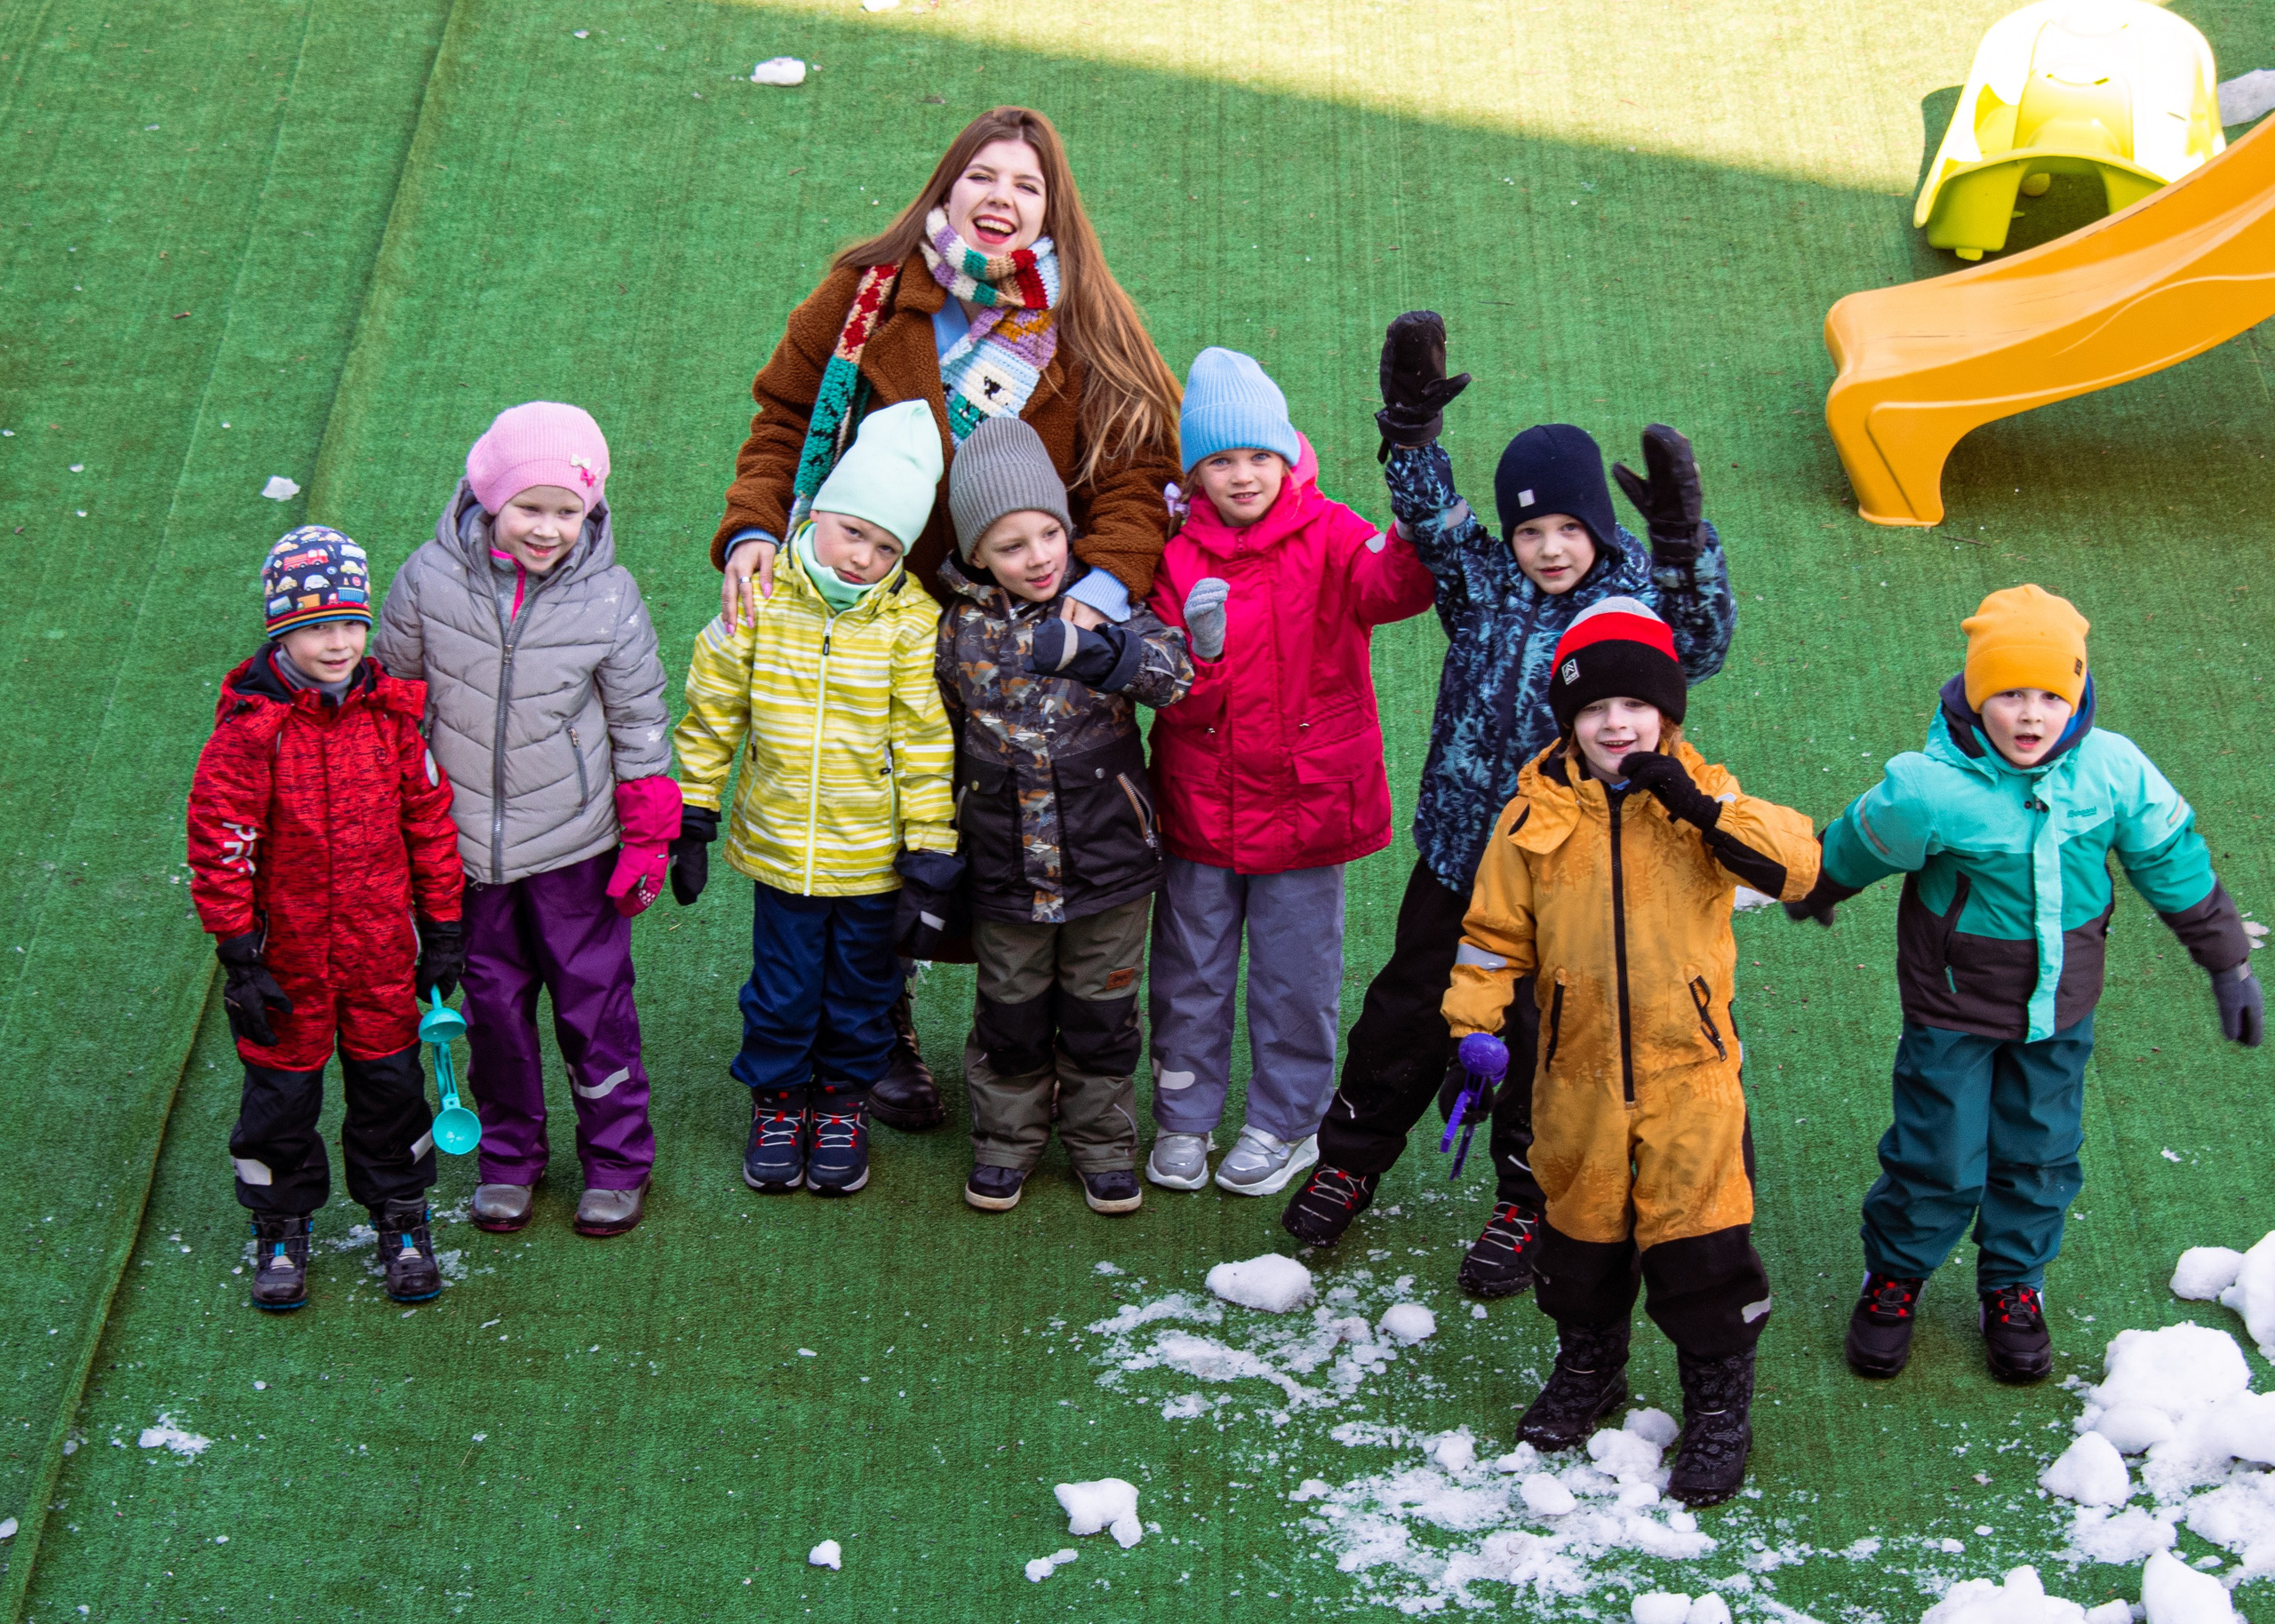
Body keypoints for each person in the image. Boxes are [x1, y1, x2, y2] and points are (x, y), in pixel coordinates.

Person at [707, 106, 1184, 1130]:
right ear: (946, 186)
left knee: (1005, 834)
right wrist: (753, 528)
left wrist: (1088, 604)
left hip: (1017, 634)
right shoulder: (862, 296)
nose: (1000, 200)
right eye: (983, 177)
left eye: (1026, 186)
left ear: (1053, 210)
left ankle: (1029, 1049)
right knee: (873, 827)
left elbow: (1143, 471)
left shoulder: (1088, 318)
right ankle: (877, 1033)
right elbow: (784, 420)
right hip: (865, 616)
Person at [1281, 313, 1737, 1303]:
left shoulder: (1628, 605)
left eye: (1567, 527)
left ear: (1599, 531)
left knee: (1545, 1041)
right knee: (1406, 1012)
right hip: (1456, 856)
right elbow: (1430, 515)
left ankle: (1526, 1198)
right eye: (1530, 529)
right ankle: (1350, 1157)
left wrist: (1681, 539)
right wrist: (1408, 438)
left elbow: (1697, 642)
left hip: (1564, 879)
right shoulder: (1480, 579)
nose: (1546, 546)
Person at [1789, 585, 2263, 1384]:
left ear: (2077, 695)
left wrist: (2226, 959)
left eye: (2052, 694)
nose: (2032, 715)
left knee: (2041, 1152)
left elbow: (2171, 860)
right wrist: (1821, 888)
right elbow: (1862, 841)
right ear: (1978, 695)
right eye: (2010, 693)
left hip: (2059, 1008)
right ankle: (1896, 1275)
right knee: (1938, 1154)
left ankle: (2012, 1286)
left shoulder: (2112, 772)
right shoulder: (1932, 788)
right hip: (1952, 1007)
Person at [1443, 598, 1820, 1505]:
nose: (1615, 723)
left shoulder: (1704, 799)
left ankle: (1718, 1407)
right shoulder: (1531, 814)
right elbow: (1494, 934)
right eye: (1593, 709)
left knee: (1702, 1254)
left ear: (1666, 713)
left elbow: (1798, 865)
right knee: (1578, 1250)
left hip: (1689, 1077)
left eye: (1634, 706)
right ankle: (1589, 1371)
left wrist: (1693, 807)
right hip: (1573, 1077)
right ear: (1568, 721)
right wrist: (1474, 1026)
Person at [374, 402, 677, 1239]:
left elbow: (639, 716)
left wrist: (650, 829)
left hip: (576, 850)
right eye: (530, 508)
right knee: (493, 1014)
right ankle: (512, 1158)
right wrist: (395, 826)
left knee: (595, 1010)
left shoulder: (609, 596)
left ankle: (617, 1160)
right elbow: (395, 707)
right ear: (488, 497)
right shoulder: (427, 581)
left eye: (568, 510)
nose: (549, 529)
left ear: (593, 511)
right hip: (465, 856)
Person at [1143, 348, 1437, 1197]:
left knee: (1294, 979)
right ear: (1197, 472)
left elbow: (1393, 591)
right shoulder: (1176, 555)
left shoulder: (1333, 531)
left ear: (1288, 456)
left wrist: (1411, 532)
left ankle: (1286, 1122)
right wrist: (1199, 659)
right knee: (1189, 971)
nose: (1244, 475)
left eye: (1258, 457)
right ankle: (1186, 1116)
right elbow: (1173, 698)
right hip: (1202, 804)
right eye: (1223, 460)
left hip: (1310, 807)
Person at [675, 401, 957, 1198]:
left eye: (887, 544)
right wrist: (693, 809)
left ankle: (839, 1104)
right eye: (853, 531)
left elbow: (925, 743)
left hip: (870, 857)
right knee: (782, 988)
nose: (865, 555)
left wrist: (930, 843)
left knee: (863, 991)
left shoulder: (911, 624)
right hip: (782, 853)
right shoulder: (760, 597)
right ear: (818, 515)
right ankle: (777, 1103)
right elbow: (713, 709)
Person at [188, 526, 466, 1310]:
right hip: (288, 960)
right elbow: (221, 841)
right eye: (315, 626)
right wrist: (240, 950)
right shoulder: (251, 731)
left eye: (349, 622)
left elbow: (429, 823)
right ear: (282, 630)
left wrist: (441, 927)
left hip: (382, 951)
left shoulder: (391, 718)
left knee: (392, 1089)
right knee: (280, 1100)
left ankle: (403, 1218)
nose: (338, 642)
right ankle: (280, 1226)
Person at [935, 418, 1193, 1214]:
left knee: (1102, 1015)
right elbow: (935, 732)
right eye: (1012, 546)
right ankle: (1006, 1144)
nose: (1039, 556)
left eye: (1049, 532)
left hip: (1108, 863)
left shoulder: (1105, 609)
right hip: (1005, 867)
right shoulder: (958, 630)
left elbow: (1175, 676)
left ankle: (1103, 1144)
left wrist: (1104, 653)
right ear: (978, 554)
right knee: (1009, 1014)